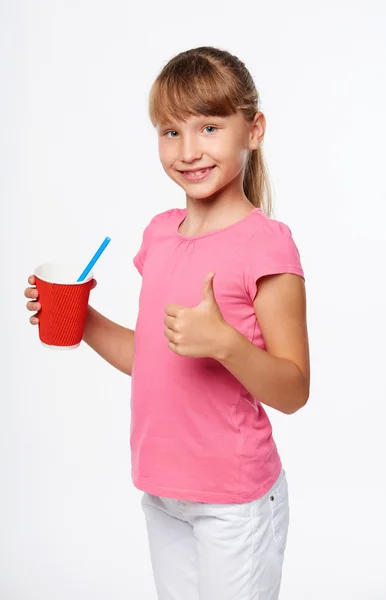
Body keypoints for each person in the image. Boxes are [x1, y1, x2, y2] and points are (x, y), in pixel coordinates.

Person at [24, 46, 310, 600]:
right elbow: (154, 358)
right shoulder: (159, 234)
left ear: (253, 131)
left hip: (233, 501)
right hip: (163, 491)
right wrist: (81, 322)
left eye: (208, 126)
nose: (188, 150)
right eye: (170, 131)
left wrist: (226, 344)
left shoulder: (266, 244)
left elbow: (294, 389)